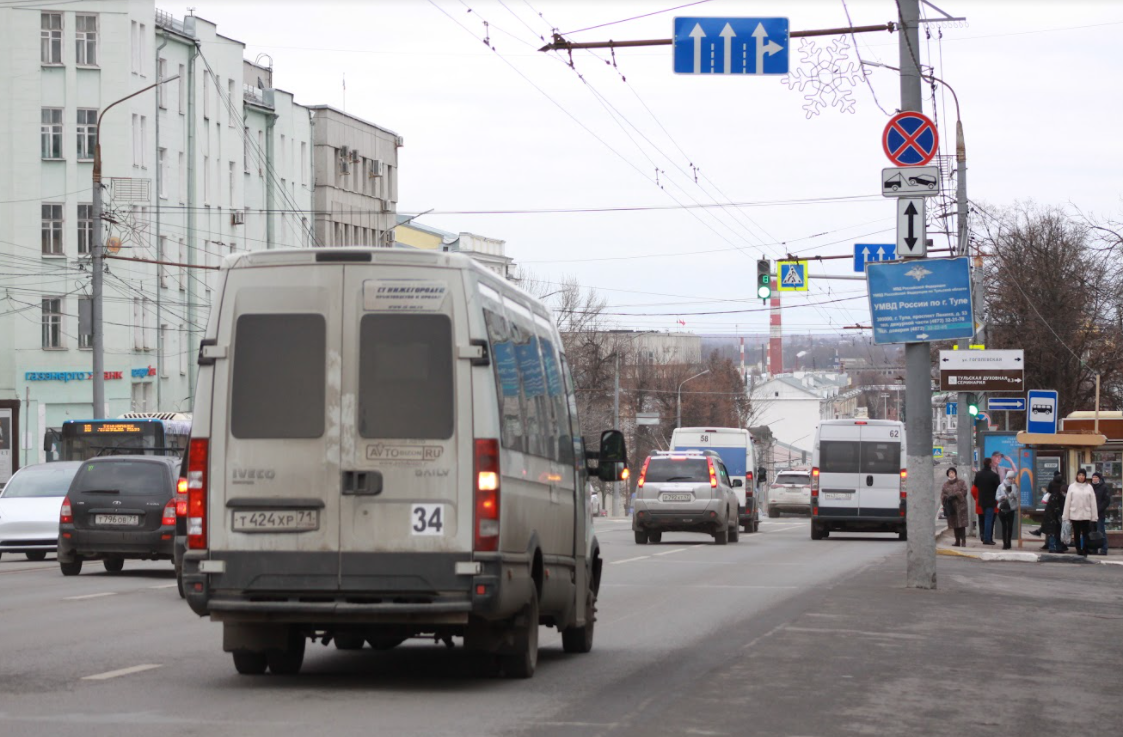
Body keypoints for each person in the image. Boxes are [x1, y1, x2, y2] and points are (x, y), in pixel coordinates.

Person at [1063, 469, 1099, 557]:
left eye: (1083, 475)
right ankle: (1078, 549)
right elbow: (1067, 501)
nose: (1081, 477)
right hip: (1074, 514)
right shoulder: (1072, 487)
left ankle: (1085, 549)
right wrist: (1066, 515)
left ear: (1085, 477)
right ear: (1077, 476)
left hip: (1086, 514)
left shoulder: (1089, 487)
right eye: (1079, 475)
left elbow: (1093, 502)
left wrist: (1094, 516)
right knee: (1076, 533)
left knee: (1086, 533)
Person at [972, 457, 1001, 545]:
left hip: (981, 501)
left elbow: (975, 485)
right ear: (990, 464)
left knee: (983, 519)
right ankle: (987, 539)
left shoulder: (979, 474)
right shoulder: (994, 476)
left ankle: (985, 537)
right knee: (989, 520)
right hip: (991, 501)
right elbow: (998, 488)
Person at [940, 467, 969, 546]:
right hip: (951, 507)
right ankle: (957, 541)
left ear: (955, 473)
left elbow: (964, 491)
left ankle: (963, 541)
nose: (951, 474)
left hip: (961, 506)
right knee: (954, 524)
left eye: (953, 472)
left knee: (961, 524)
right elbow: (943, 494)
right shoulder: (945, 485)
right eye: (950, 473)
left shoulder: (961, 482)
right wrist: (947, 498)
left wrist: (956, 495)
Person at [1042, 477, 1067, 553]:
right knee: (1054, 533)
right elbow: (1053, 508)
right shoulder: (1057, 497)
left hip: (1055, 517)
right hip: (1053, 517)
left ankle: (1056, 547)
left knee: (1055, 533)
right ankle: (1053, 547)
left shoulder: (1055, 496)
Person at [997, 470, 1019, 550]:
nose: (1011, 479)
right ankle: (1004, 543)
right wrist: (1002, 497)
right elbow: (997, 496)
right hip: (1002, 508)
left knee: (1010, 527)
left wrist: (1013, 485)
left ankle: (1009, 542)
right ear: (1006, 477)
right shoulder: (1001, 486)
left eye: (1012, 478)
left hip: (1011, 509)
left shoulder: (1015, 486)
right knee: (1004, 526)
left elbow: (1015, 495)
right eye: (1009, 478)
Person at [1091, 472, 1112, 556]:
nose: (1094, 479)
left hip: (1100, 514)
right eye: (1093, 477)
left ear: (1099, 478)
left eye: (1096, 477)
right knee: (1093, 532)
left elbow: (1106, 500)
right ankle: (1094, 548)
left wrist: (1099, 509)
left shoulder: (1104, 487)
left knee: (1101, 531)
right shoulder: (1090, 487)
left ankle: (1104, 548)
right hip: (1091, 514)